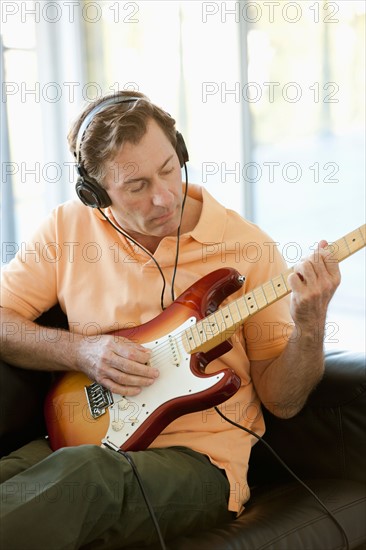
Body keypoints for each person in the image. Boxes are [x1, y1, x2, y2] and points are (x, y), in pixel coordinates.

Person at [0, 90, 341, 549]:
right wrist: (81, 350)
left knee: (86, 476)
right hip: (86, 438)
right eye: (136, 186)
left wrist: (311, 322)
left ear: (180, 153)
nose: (163, 197)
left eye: (168, 169)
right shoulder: (67, 229)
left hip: (200, 465)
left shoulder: (247, 247)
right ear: (95, 192)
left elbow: (283, 402)